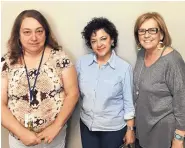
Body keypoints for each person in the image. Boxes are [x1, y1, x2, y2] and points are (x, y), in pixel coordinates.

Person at [1, 9, 79, 148]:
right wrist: (21, 133)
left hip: (53, 138)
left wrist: (56, 126)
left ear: (46, 33)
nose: (34, 38)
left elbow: (72, 94)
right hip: (19, 140)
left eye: (39, 31)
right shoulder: (6, 62)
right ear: (18, 34)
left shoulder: (60, 58)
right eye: (27, 32)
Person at [76, 17, 135, 148]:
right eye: (94, 41)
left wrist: (130, 130)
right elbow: (75, 92)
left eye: (103, 38)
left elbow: (128, 102)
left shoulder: (124, 68)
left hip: (113, 129)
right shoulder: (82, 63)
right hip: (87, 126)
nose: (99, 44)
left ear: (112, 40)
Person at [133, 12, 185, 148]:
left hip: (163, 133)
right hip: (143, 130)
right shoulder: (141, 54)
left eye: (152, 30)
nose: (146, 35)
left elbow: (182, 100)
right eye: (142, 31)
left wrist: (179, 138)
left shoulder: (172, 60)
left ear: (161, 34)